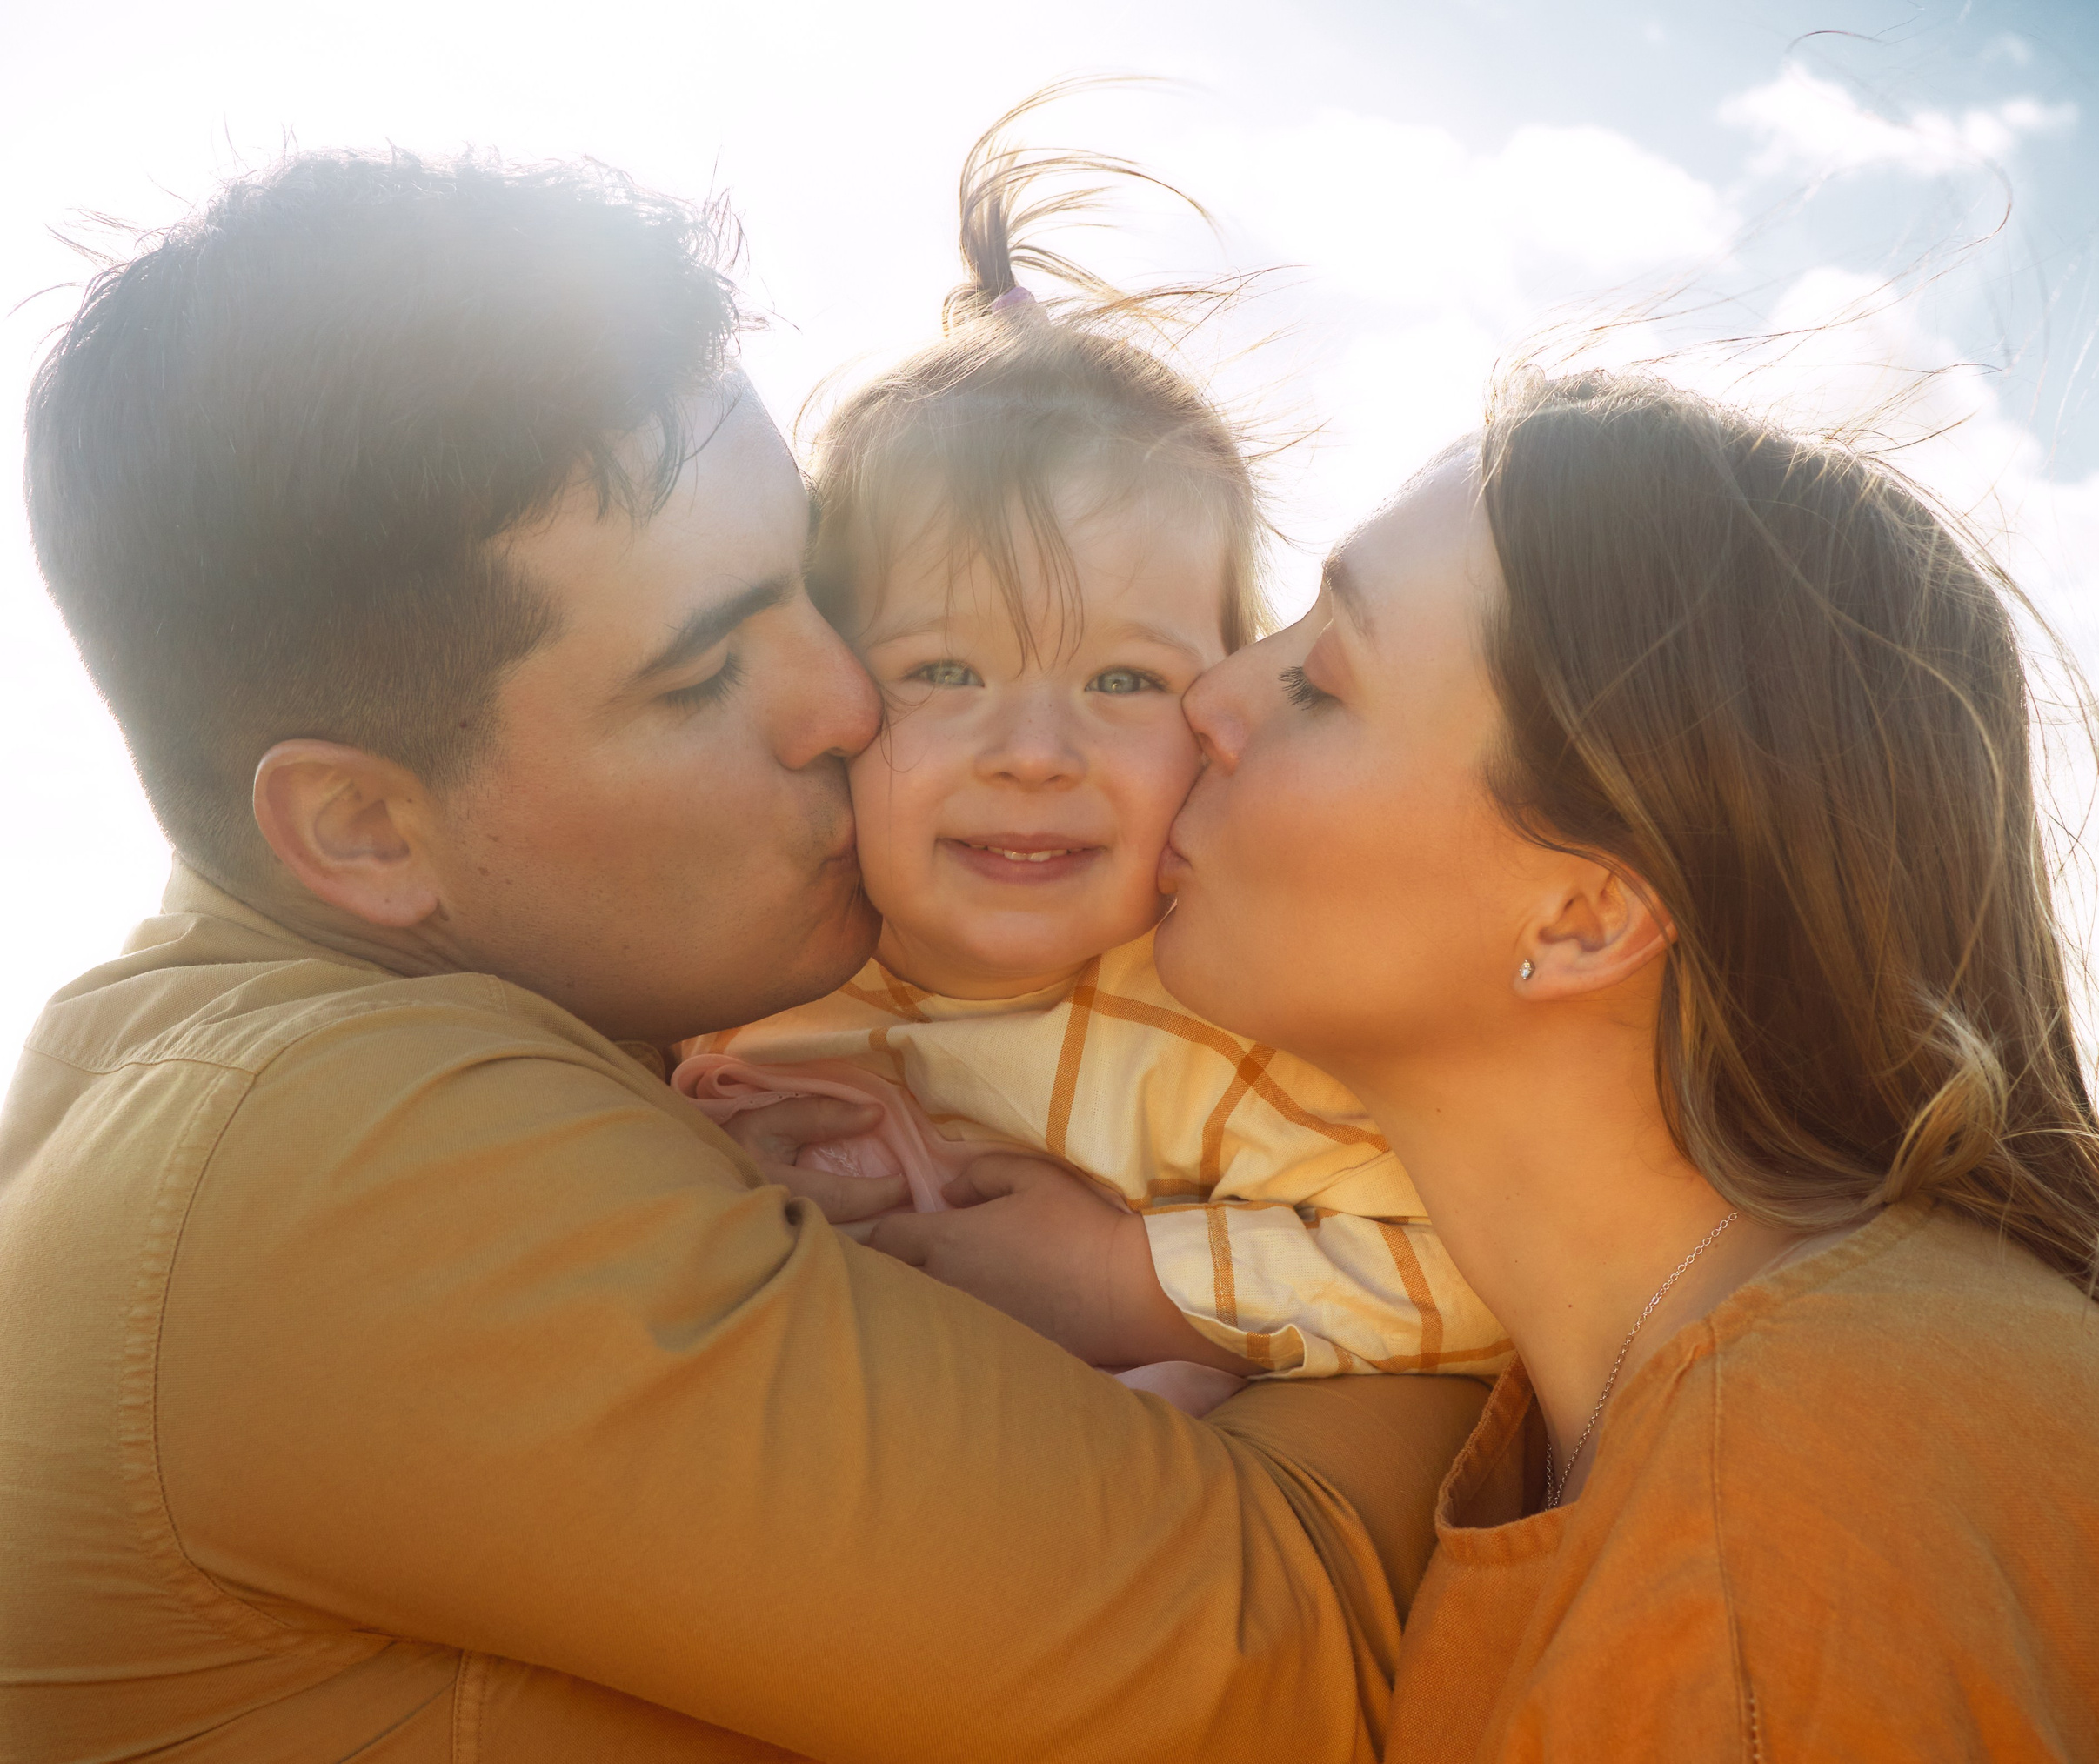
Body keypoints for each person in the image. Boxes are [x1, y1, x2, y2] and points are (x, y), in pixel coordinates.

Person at [0, 149, 1482, 1762]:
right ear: (363, 826)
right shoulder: (347, 1144)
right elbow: (1287, 1672)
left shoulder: (227, 1069)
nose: (848, 708)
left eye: (810, 592)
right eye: (705, 670)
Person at [1146, 368, 2099, 1757]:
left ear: (1588, 913)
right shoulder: (1705, 1392)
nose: (1209, 697)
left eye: (1320, 681)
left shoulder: (1782, 1513)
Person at [674, 124, 1504, 1416]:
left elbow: (1476, 1275)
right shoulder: (712, 961)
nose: (1033, 757)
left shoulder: (1216, 1042)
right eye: (945, 675)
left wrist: (1132, 1279)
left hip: (1076, 1540)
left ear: (1224, 709)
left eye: (1126, 683)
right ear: (831, 686)